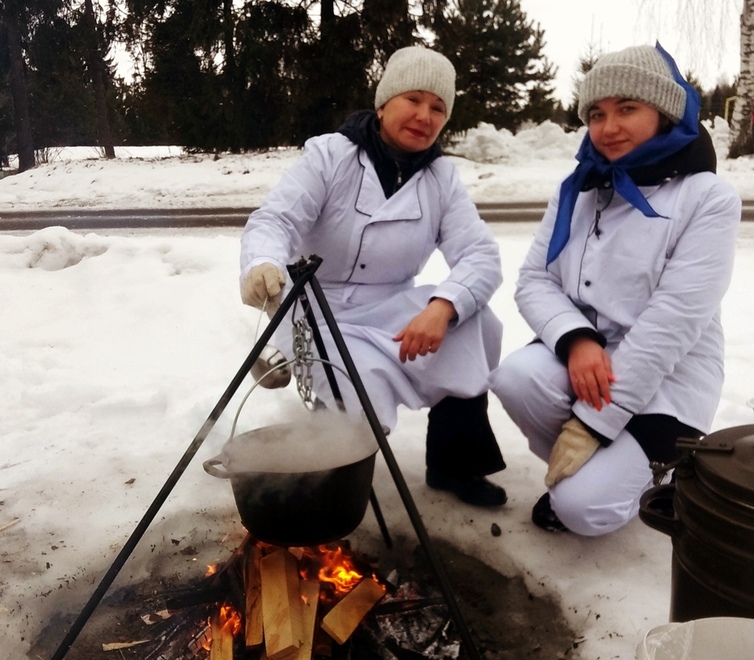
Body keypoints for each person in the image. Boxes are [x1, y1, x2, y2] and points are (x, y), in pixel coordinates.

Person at [489, 43, 741, 536]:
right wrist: (576, 339)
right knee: (517, 377)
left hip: (670, 374)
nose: (609, 128)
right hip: (592, 358)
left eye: (628, 109)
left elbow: (675, 318)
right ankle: (580, 470)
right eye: (597, 114)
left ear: (663, 112)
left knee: (585, 512)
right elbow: (534, 280)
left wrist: (592, 423)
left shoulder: (706, 197)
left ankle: (638, 476)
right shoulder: (578, 188)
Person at [239, 46, 507, 507]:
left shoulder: (442, 178)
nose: (425, 115)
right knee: (353, 387)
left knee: (477, 325)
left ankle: (454, 465)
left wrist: (443, 307)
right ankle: (325, 486)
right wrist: (262, 262)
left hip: (391, 309)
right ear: (383, 103)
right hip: (320, 310)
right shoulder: (331, 156)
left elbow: (479, 254)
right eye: (413, 99)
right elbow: (276, 220)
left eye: (438, 107)